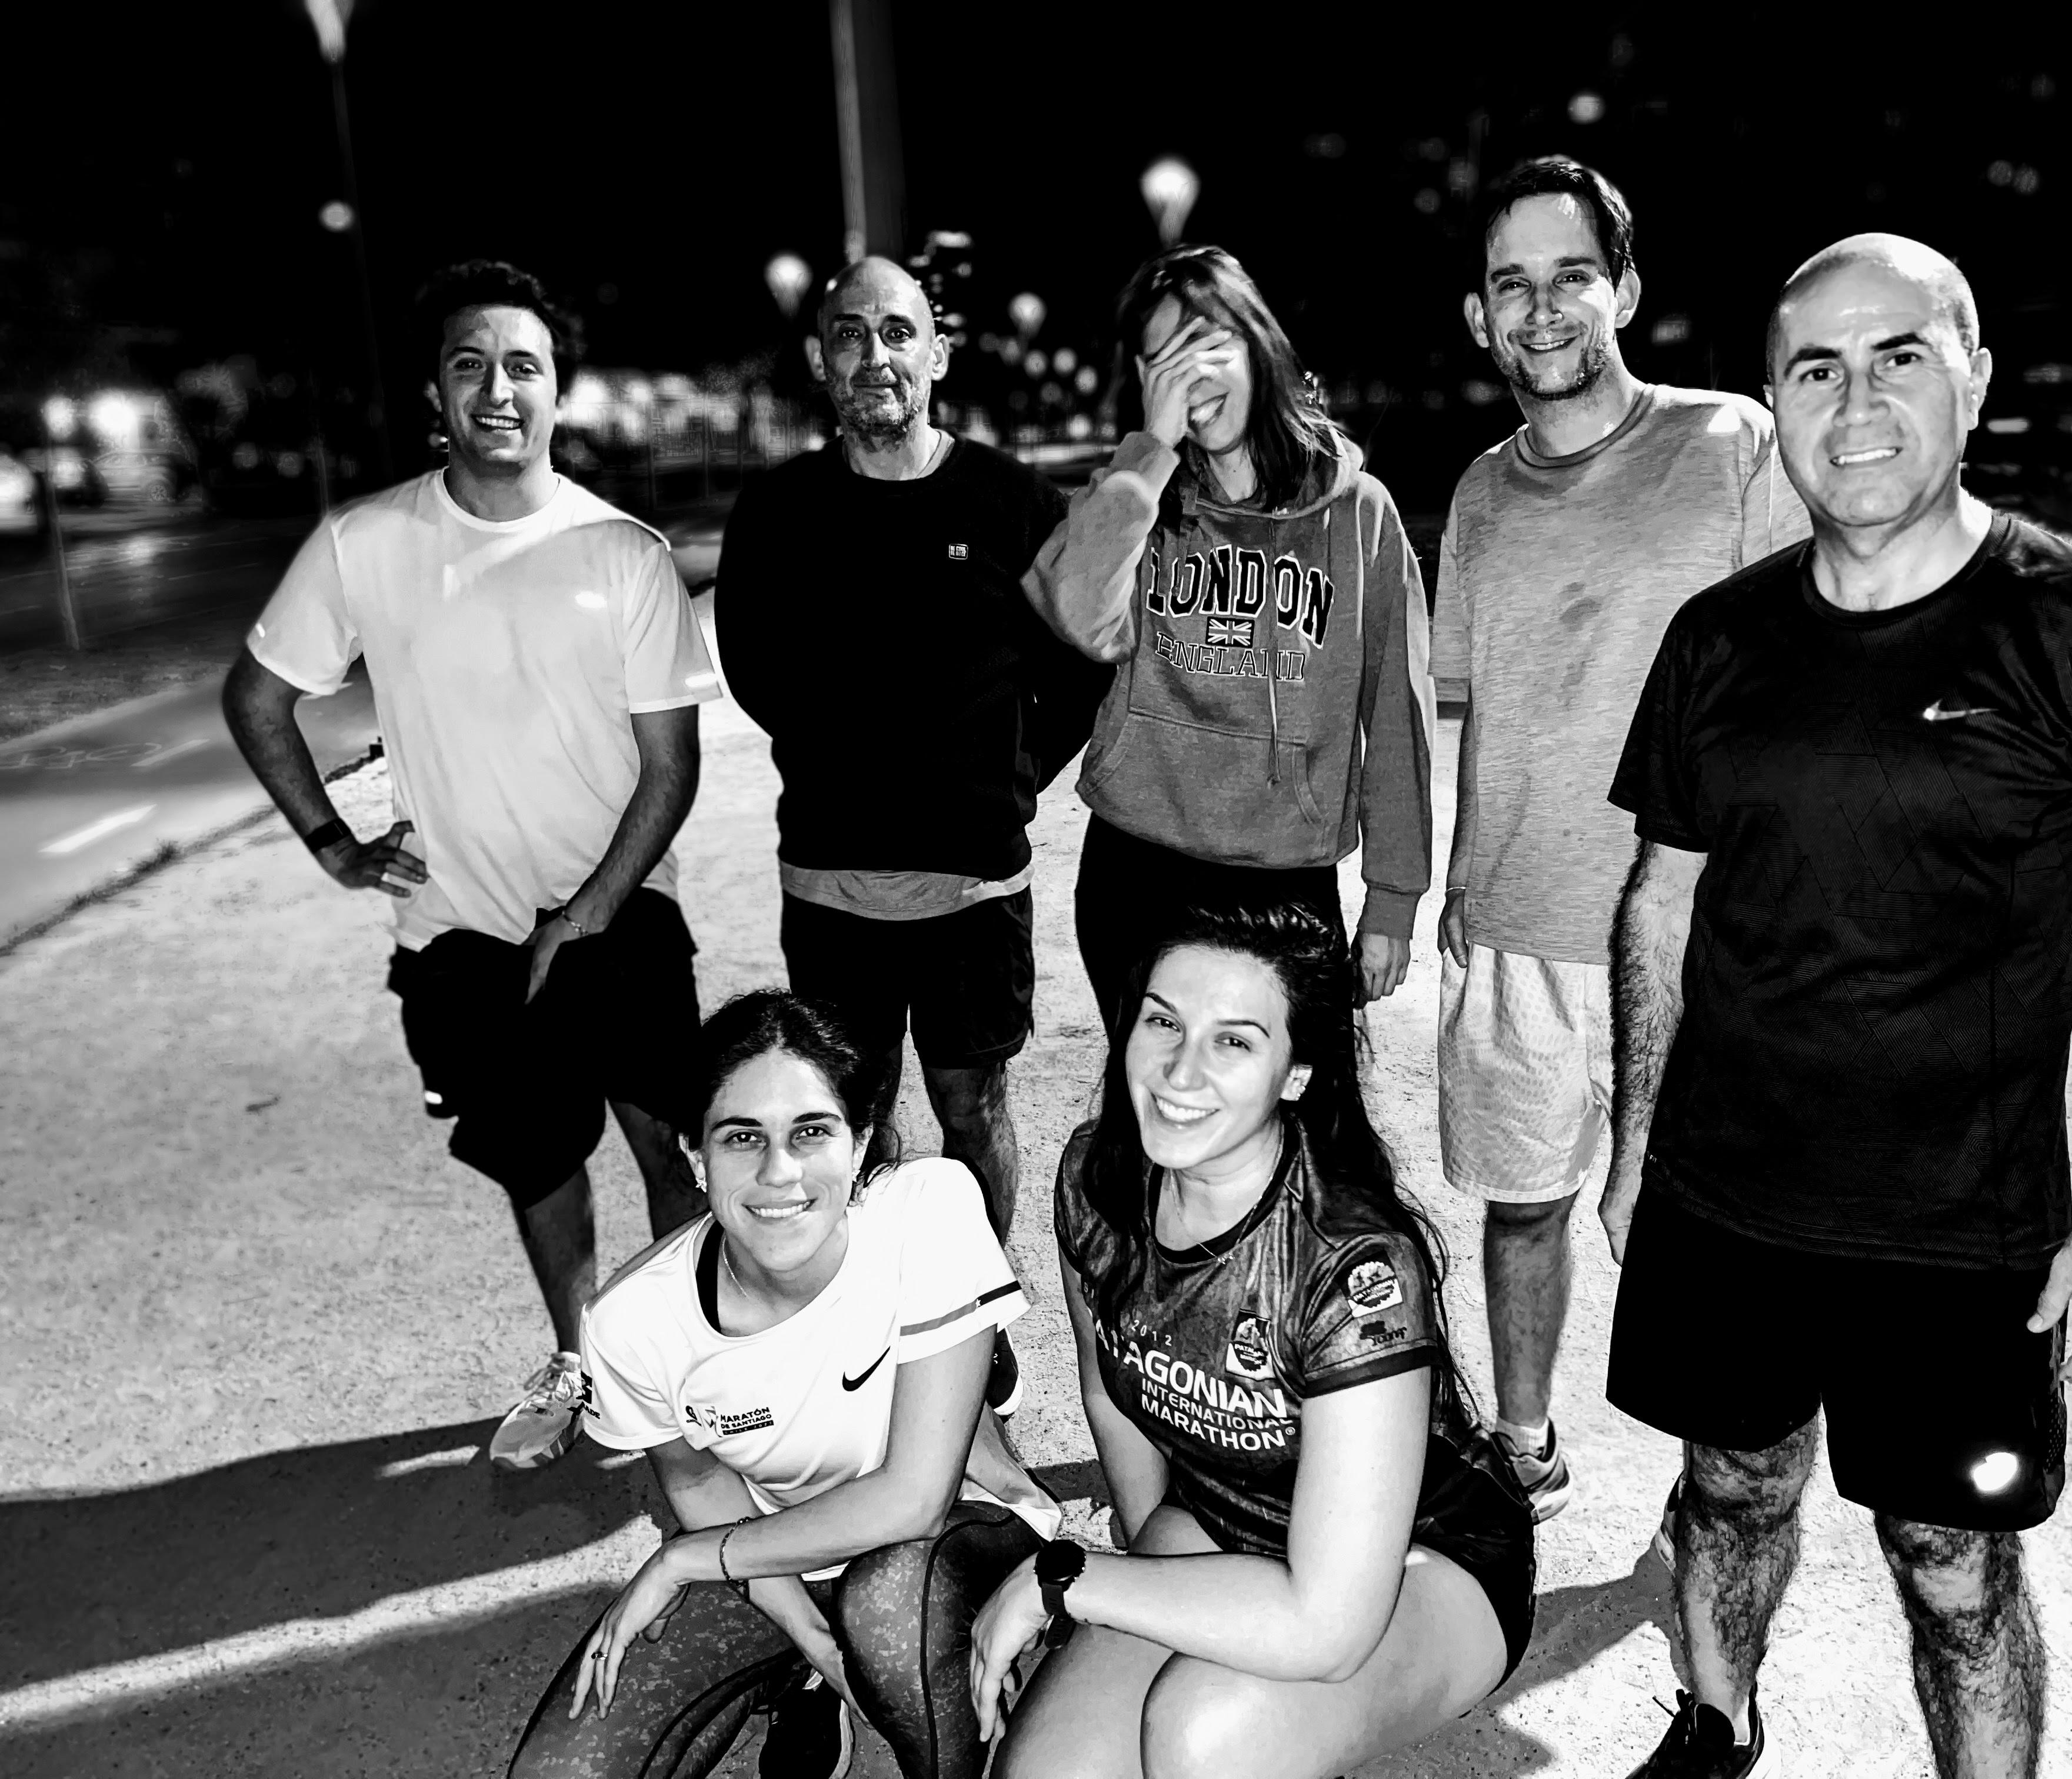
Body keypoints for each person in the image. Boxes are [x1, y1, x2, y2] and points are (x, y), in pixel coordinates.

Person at [1600, 235, 2072, 1777]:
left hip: (1961, 1235)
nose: (1857, 398)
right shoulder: (1720, 639)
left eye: (1900, 355)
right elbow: (1662, 901)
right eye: (1816, 366)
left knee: (1956, 1574)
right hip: (1726, 1198)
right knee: (1730, 1487)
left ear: (1975, 381)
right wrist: (1636, 1141)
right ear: (1775, 399)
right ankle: (1719, 1717)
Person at [224, 260, 722, 1472]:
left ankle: (696, 1365)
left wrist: (590, 910)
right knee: (538, 1162)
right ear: (436, 398)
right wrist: (335, 846)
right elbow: (258, 697)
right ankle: (585, 1356)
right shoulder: (365, 544)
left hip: (619, 921)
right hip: (458, 943)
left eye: (523, 366)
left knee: (672, 1150)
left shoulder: (622, 553)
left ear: (559, 392)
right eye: (470, 366)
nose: (498, 389)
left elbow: (671, 771)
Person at [1433, 156, 1810, 1525]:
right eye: (1510, 284)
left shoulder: (1730, 445)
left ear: (1626, 290)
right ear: (1480, 316)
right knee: (1523, 1203)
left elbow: (1816, 663)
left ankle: (1716, 1485)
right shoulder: (1476, 495)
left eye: (1569, 276)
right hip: (1520, 927)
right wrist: (1457, 886)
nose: (1541, 309)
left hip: (1702, 931)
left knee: (1714, 1232)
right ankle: (1522, 1444)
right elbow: (1467, 708)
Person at [971, 902, 1535, 1779]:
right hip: (1217, 1512)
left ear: (1297, 1071)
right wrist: (1143, 1583)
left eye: (1233, 1042)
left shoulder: (1351, 1266)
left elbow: (1328, 1625)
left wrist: (1072, 1580)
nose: (1179, 1070)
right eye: (1164, 1021)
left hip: (1419, 1558)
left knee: (1206, 1730)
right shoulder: (1096, 1177)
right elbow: (1108, 1399)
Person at [714, 256, 1107, 1416]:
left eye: (899, 332)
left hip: (974, 887)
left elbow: (1081, 662)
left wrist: (1012, 774)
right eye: (850, 335)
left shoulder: (1012, 503)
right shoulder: (779, 512)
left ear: (939, 352)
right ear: (822, 361)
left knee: (974, 1103)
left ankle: (974, 1316)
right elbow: (758, 672)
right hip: (831, 885)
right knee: (854, 1119)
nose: (875, 355)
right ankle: (876, 1315)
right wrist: (859, 762)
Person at [509, 990, 1061, 1779]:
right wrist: (813, 1637)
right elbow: (701, 1484)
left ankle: (974, 1704)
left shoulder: (927, 1207)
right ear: (695, 1158)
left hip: (955, 1538)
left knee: (889, 1605)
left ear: (861, 1142)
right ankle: (815, 1683)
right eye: (742, 1138)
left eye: (812, 1132)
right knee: (564, 1769)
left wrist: (684, 1562)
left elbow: (915, 1500)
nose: (780, 1171)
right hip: (776, 1561)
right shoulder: (630, 1323)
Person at [1022, 247, 1433, 1032]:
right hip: (1138, 871)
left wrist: (1392, 897)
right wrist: (1148, 454)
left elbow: (1397, 720)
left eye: (1208, 345)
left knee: (1293, 1124)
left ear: (1258, 345)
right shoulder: (1135, 500)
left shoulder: (1359, 515)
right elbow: (1078, 613)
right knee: (1152, 1119)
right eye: (1163, 361)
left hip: (1286, 877)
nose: (1190, 377)